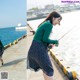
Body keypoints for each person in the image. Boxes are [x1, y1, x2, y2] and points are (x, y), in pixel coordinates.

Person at [27, 11, 62, 80]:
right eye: (58, 20)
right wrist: (55, 41)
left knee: (45, 70)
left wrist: (49, 44)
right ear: (53, 18)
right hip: (39, 50)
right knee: (49, 70)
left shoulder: (46, 23)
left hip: (34, 49)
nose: (58, 23)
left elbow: (42, 39)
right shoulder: (49, 25)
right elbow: (44, 39)